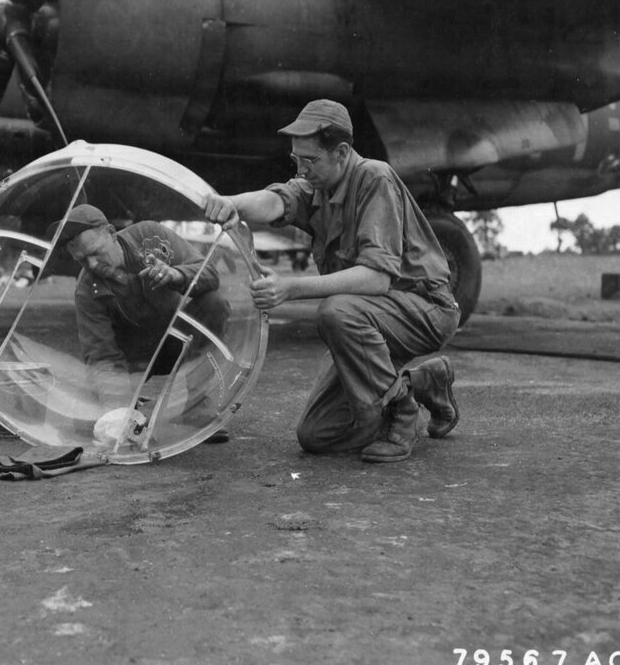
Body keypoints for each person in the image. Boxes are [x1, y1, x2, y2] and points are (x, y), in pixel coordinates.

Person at [203, 99, 461, 462]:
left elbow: (376, 278)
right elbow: (276, 201)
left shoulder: (375, 178)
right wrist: (232, 203)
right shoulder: (318, 185)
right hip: (375, 317)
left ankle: (402, 412)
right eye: (297, 161)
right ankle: (423, 383)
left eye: (310, 161)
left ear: (341, 152)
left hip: (423, 309)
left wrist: (292, 288)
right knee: (317, 434)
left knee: (337, 312)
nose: (302, 170)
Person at [51, 204, 231, 443]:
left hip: (175, 341)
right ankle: (130, 404)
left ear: (112, 232)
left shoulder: (151, 237)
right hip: (130, 362)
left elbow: (209, 273)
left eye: (96, 252)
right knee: (86, 422)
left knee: (214, 304)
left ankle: (196, 406)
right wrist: (119, 415)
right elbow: (102, 356)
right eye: (82, 260)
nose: (93, 265)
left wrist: (176, 275)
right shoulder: (86, 291)